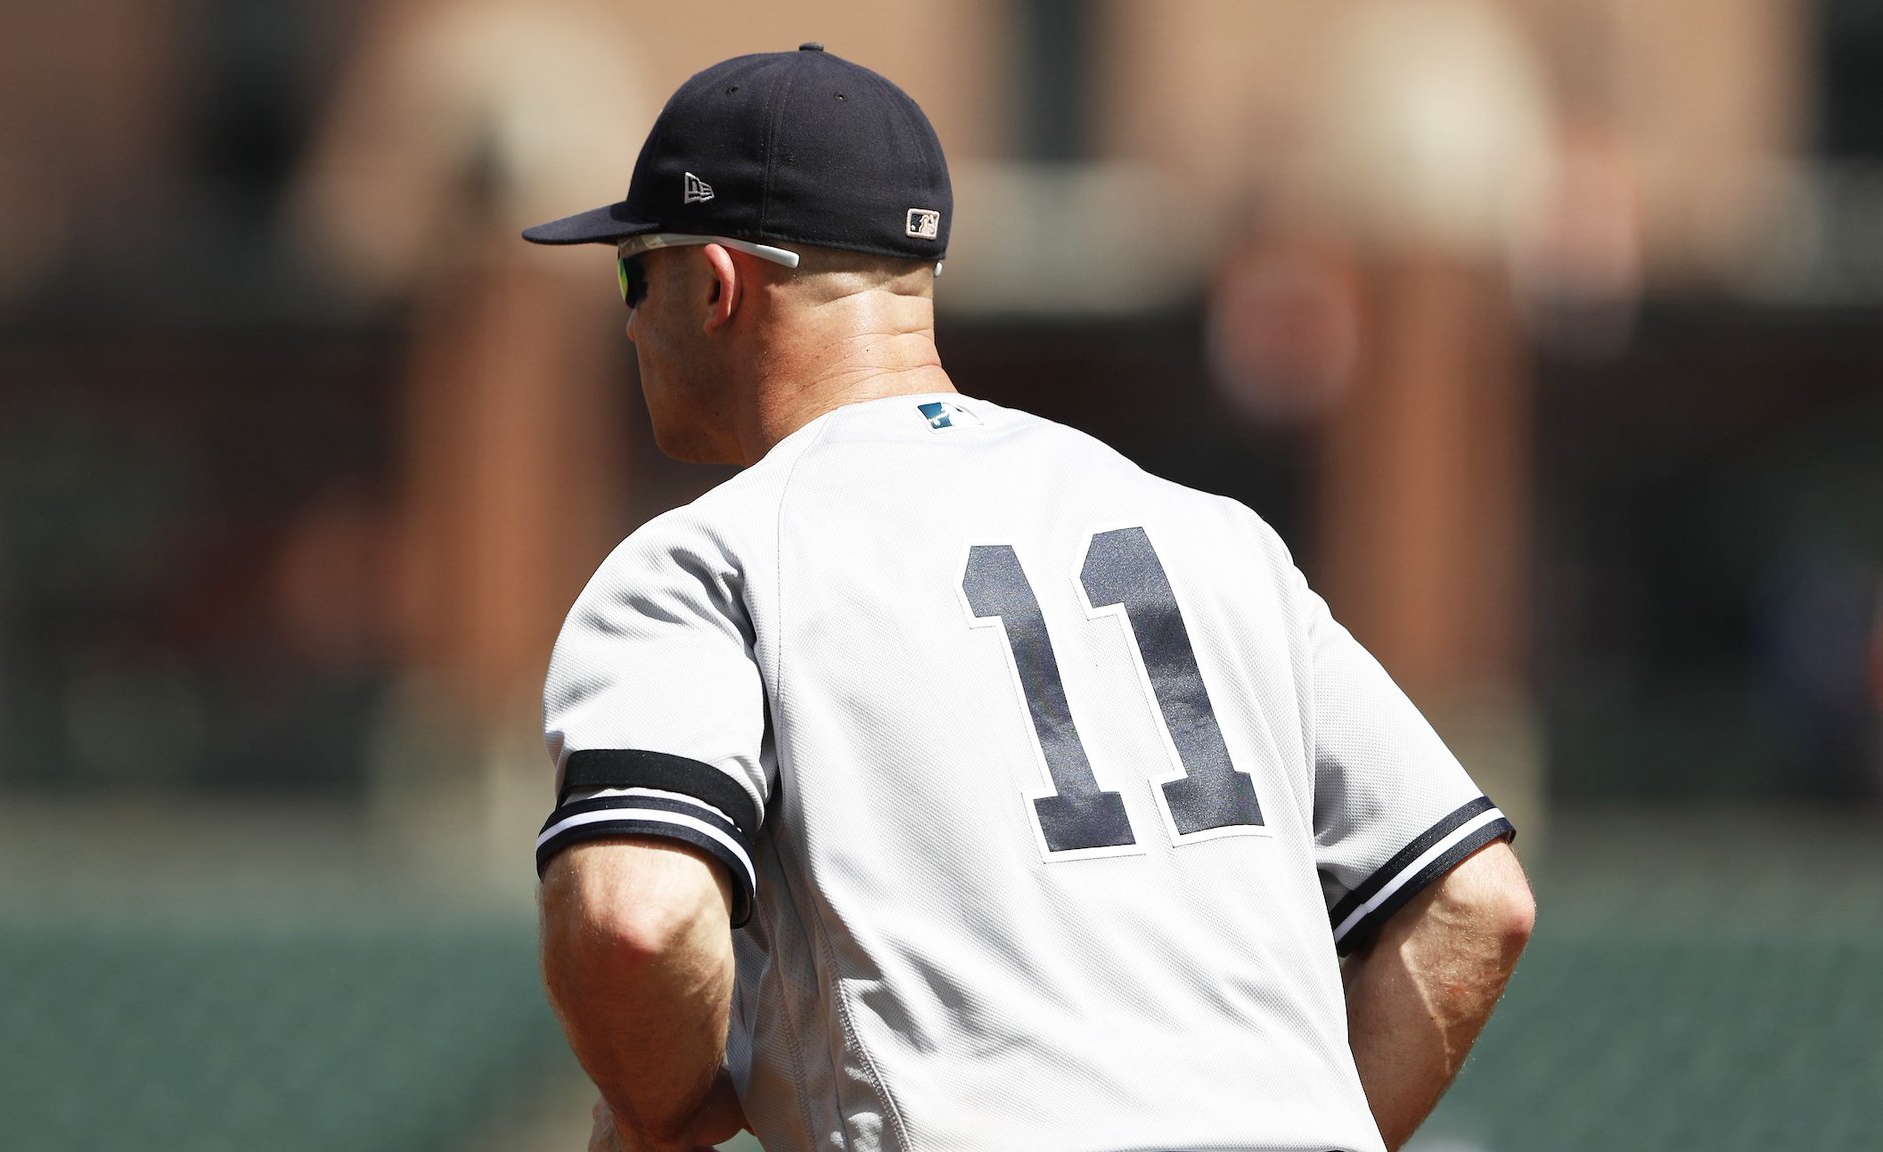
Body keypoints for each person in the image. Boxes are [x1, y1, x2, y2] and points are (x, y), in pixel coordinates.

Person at [522, 43, 1534, 1152]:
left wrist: (658, 1112)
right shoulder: (1212, 534)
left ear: (715, 285)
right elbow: (1474, 902)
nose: (627, 316)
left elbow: (635, 921)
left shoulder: (709, 557)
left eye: (634, 271)